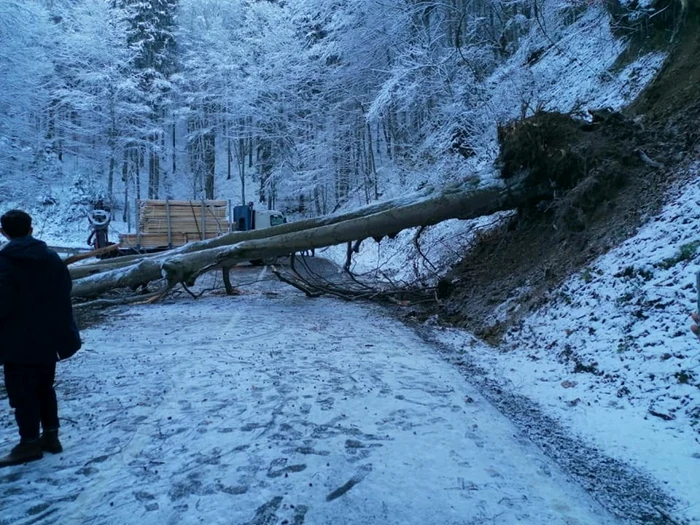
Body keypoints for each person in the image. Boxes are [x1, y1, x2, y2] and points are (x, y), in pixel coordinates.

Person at [0, 210, 81, 467]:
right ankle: (50, 437)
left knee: (22, 394)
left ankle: (29, 444)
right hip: (48, 337)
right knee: (45, 388)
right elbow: (65, 290)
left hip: (17, 340)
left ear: (4, 232)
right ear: (31, 229)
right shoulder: (51, 258)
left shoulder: (4, 261)